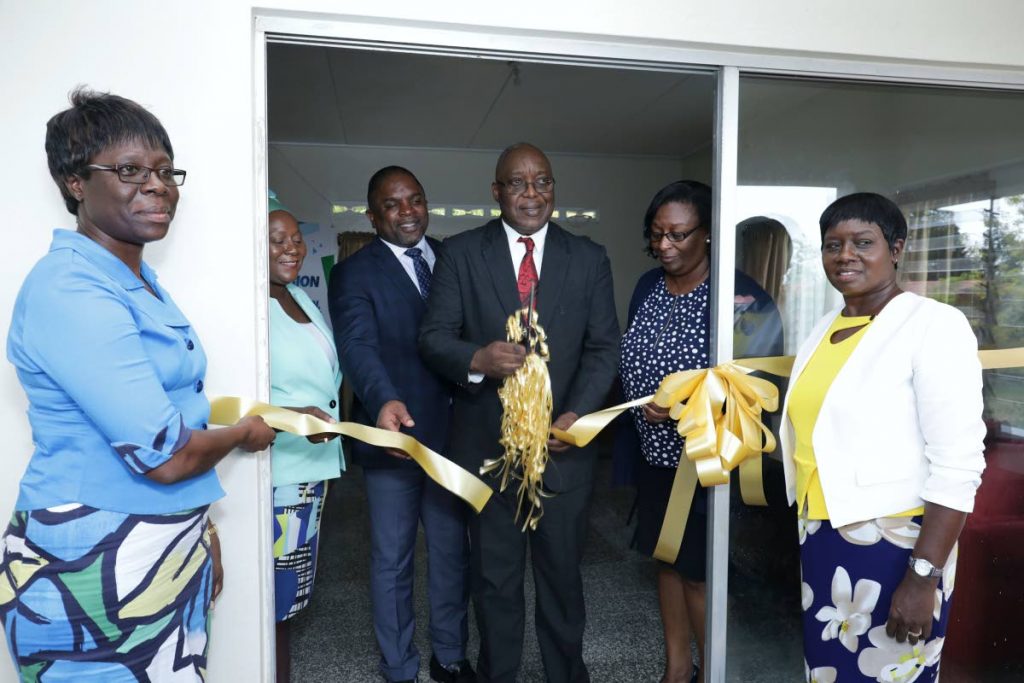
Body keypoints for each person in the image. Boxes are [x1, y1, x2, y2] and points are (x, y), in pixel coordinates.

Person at [0, 88, 276, 682]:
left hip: (157, 552)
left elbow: (174, 412)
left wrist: (197, 530)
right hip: (88, 567)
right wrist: (246, 433)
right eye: (129, 170)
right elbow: (168, 454)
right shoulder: (70, 289)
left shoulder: (138, 280)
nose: (158, 186)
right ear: (76, 182)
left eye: (163, 170)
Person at [419, 143, 620, 683]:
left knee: (562, 580)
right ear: (496, 191)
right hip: (489, 451)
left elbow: (605, 348)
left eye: (543, 183)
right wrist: (476, 358)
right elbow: (432, 338)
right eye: (518, 183)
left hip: (563, 452)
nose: (532, 194)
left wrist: (579, 413)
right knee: (495, 581)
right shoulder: (460, 253)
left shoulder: (589, 257)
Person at [780, 192, 985, 682]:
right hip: (824, 534)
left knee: (886, 671)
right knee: (831, 672)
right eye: (833, 245)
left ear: (896, 248)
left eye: (862, 242)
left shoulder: (933, 325)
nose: (845, 255)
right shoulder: (828, 326)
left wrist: (921, 577)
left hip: (898, 544)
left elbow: (959, 463)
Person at [617, 180, 782, 683]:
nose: (664, 245)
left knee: (699, 574)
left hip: (706, 463)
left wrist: (690, 404)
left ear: (708, 234)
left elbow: (763, 388)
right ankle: (676, 669)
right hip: (654, 457)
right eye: (656, 234)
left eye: (679, 235)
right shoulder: (648, 284)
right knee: (665, 562)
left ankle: (713, 673)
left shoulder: (745, 301)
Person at [329, 167, 473, 683]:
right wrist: (384, 400)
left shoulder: (451, 256)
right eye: (393, 204)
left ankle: (450, 655)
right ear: (373, 216)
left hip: (455, 436)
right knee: (393, 560)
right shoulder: (355, 272)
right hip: (395, 438)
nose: (408, 210)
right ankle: (398, 667)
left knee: (452, 550)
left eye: (416, 199)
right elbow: (358, 348)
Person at [266, 196, 345, 682]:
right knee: (276, 597)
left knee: (291, 593)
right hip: (280, 473)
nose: (292, 248)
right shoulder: (249, 305)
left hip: (312, 470)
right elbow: (232, 395)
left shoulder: (298, 296)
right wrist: (293, 416)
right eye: (277, 240)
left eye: (296, 238)